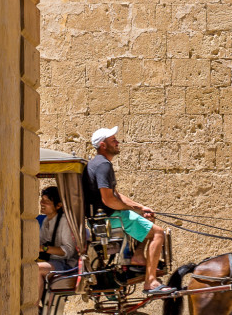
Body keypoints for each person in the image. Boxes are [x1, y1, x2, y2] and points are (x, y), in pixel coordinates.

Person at [83, 126, 174, 295]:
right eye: (113, 140)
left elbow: (116, 194)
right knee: (158, 234)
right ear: (103, 145)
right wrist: (131, 209)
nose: (117, 142)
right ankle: (151, 282)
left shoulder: (99, 164)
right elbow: (108, 199)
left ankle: (138, 256)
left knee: (149, 220)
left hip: (111, 216)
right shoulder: (103, 165)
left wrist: (140, 208)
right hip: (111, 218)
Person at [37, 186, 78, 280]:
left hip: (65, 265)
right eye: (42, 200)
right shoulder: (46, 221)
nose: (42, 203)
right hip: (51, 261)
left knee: (36, 269)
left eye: (47, 201)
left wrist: (44, 248)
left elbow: (68, 251)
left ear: (58, 205)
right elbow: (42, 241)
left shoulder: (65, 222)